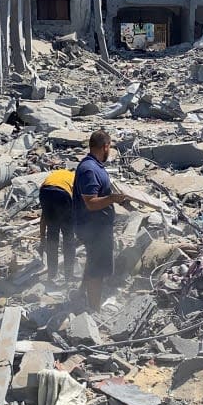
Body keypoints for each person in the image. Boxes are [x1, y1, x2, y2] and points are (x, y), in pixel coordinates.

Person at [73, 130, 127, 311]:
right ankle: (94, 309)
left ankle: (81, 295)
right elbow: (90, 203)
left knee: (92, 261)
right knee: (97, 268)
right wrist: (113, 199)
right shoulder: (89, 169)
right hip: (94, 228)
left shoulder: (94, 166)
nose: (109, 151)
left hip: (96, 227)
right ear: (105, 146)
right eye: (109, 147)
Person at [39, 168, 76, 279]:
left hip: (45, 192)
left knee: (52, 234)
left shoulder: (53, 176)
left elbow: (44, 215)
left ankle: (52, 274)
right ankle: (69, 275)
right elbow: (79, 206)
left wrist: (42, 235)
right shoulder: (75, 178)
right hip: (63, 194)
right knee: (68, 237)